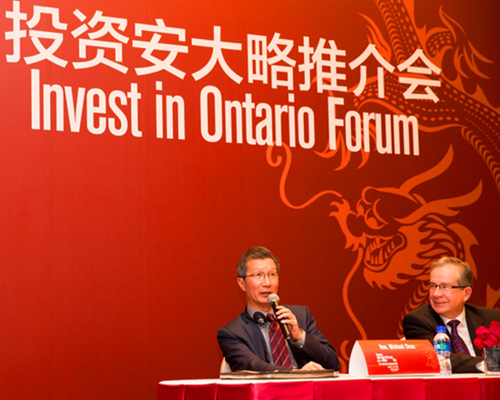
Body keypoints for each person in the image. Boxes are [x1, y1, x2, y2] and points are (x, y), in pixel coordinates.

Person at [217, 246, 340, 372]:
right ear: (242, 284)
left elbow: (333, 363)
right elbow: (254, 367)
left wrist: (300, 337)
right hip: (272, 385)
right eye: (258, 275)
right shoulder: (232, 333)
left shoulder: (301, 316)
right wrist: (297, 374)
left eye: (272, 274)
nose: (267, 283)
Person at [403, 256, 500, 373]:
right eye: (433, 286)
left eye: (445, 287)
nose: (436, 294)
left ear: (466, 293)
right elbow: (438, 358)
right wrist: (487, 364)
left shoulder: (493, 318)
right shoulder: (417, 321)